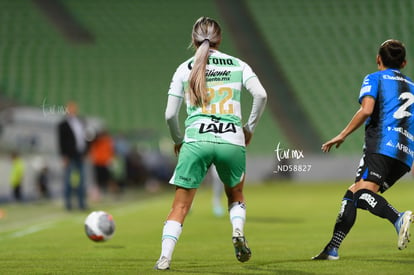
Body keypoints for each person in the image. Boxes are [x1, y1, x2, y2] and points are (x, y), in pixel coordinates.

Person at [154, 17, 267, 270]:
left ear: (193, 40)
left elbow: (170, 114)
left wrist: (178, 141)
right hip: (231, 138)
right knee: (235, 194)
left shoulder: (185, 68)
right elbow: (261, 94)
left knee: (180, 206)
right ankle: (237, 230)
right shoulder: (239, 64)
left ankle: (164, 258)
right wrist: (249, 128)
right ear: (220, 38)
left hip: (196, 139)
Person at [313, 39, 414, 260]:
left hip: (381, 146)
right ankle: (332, 248)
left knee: (361, 194)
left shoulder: (374, 78)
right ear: (404, 63)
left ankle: (398, 217)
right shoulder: (412, 87)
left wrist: (342, 134)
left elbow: (366, 110)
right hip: (404, 155)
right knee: (352, 194)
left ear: (378, 59)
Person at [57, 101, 89, 211]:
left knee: (81, 180)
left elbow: (85, 138)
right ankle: (68, 204)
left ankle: (81, 203)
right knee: (68, 180)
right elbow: (61, 142)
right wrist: (64, 156)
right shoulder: (62, 125)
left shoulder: (81, 122)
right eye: (70, 108)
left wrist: (85, 152)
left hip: (80, 155)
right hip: (69, 156)